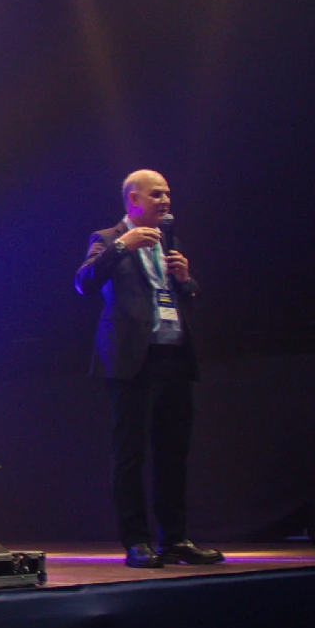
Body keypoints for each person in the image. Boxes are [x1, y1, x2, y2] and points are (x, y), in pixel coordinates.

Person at [75, 169, 223, 569]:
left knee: (173, 454)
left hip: (174, 356)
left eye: (168, 194)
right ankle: (137, 541)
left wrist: (186, 280)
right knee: (130, 455)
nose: (165, 200)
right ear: (133, 199)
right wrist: (121, 247)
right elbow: (83, 282)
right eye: (156, 194)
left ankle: (175, 539)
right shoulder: (107, 238)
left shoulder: (169, 241)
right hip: (132, 361)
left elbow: (186, 296)